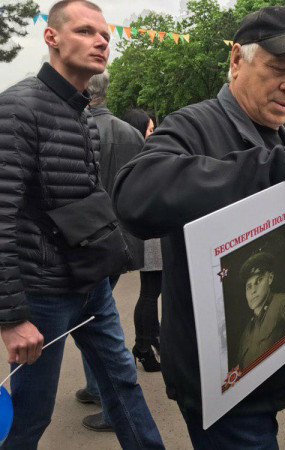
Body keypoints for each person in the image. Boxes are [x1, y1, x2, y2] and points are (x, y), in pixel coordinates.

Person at [112, 6, 285, 447]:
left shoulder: (280, 134)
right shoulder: (195, 125)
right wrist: (273, 166)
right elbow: (134, 194)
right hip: (222, 382)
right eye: (279, 68)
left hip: (269, 361)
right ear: (236, 60)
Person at [0, 1, 164, 448]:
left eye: (105, 35)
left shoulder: (85, 117)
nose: (101, 42)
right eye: (86, 31)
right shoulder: (16, 108)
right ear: (51, 37)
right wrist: (12, 319)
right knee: (30, 416)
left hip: (92, 284)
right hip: (43, 295)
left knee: (124, 387)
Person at [74, 71, 149, 433]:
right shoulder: (131, 132)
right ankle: (96, 388)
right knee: (95, 315)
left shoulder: (77, 128)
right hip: (125, 237)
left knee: (95, 320)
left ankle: (108, 402)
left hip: (90, 239)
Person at [122, 108, 162, 372]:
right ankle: (143, 347)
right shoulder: (143, 157)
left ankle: (151, 341)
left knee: (151, 291)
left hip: (150, 232)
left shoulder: (137, 155)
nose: (153, 133)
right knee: (150, 292)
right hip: (152, 234)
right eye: (150, 129)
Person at [236, 252, 285, 370]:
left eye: (259, 280)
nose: (253, 291)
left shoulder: (283, 303)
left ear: (270, 278)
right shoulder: (246, 333)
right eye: (249, 286)